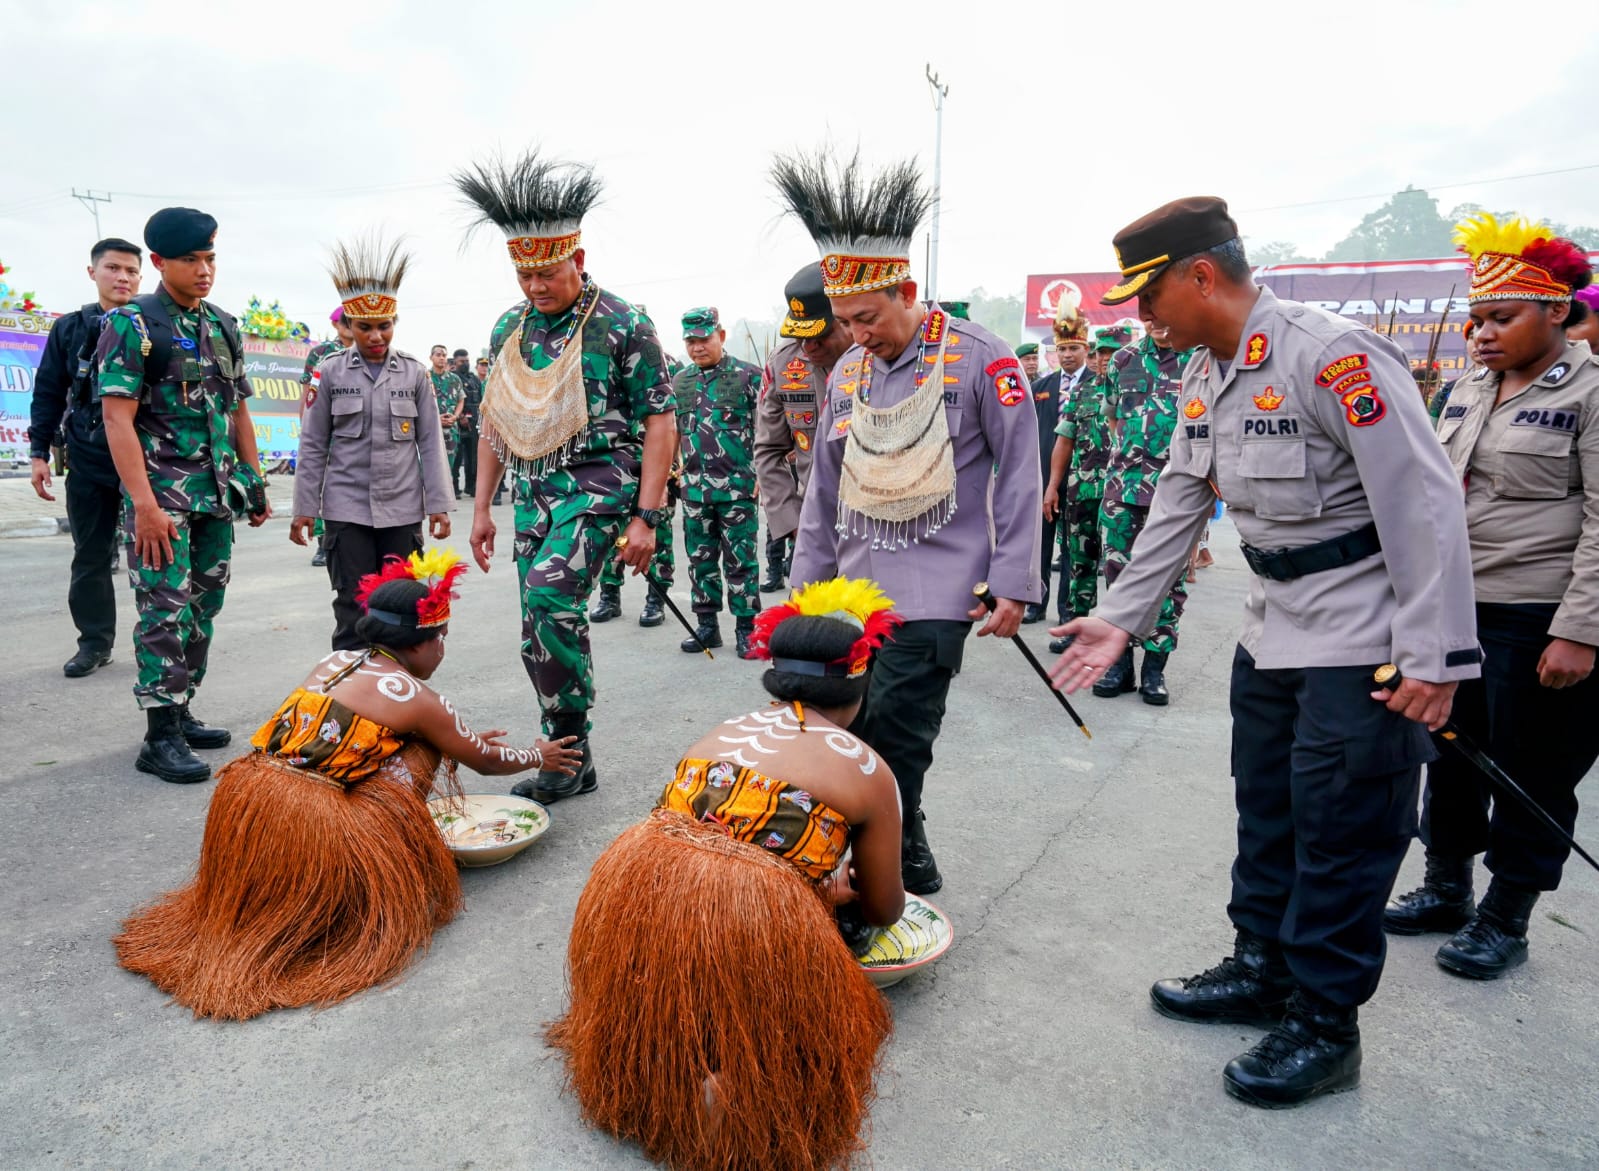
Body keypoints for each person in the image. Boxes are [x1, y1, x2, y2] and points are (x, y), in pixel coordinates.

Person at [1048, 196, 1481, 1108]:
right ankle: (1263, 970)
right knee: (1270, 811)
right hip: (1272, 624)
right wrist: (1120, 616)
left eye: (1147, 295)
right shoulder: (1204, 372)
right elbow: (1177, 495)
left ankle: (1326, 1024)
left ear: (1200, 274)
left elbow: (1423, 503)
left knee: (1343, 830)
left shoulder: (1331, 356)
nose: (1140, 316)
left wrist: (1436, 656)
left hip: (1362, 633)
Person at [113, 550, 581, 1020]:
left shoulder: (335, 659)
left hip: (246, 799)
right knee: (424, 749)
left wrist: (463, 740)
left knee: (415, 741)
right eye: (441, 637)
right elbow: (485, 761)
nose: (443, 648)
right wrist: (538, 755)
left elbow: (349, 734)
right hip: (310, 820)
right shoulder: (417, 697)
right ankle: (353, 880)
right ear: (422, 643)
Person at [546, 578, 904, 1171]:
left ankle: (647, 1052)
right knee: (797, 1017)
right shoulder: (869, 771)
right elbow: (883, 910)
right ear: (859, 685)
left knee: (699, 957)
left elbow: (730, 847)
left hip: (637, 889)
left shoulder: (719, 733)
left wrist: (814, 887)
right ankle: (730, 1091)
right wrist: (838, 895)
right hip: (744, 912)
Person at [774, 148, 1043, 894]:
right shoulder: (849, 374)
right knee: (843, 730)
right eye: (845, 322)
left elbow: (1019, 475)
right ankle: (902, 846)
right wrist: (803, 595)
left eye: (868, 317)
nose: (857, 334)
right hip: (851, 593)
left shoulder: (980, 359)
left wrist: (1014, 580)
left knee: (895, 731)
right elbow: (823, 491)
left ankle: (890, 863)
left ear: (907, 290)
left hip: (937, 589)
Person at [1384, 215, 1599, 980]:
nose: (1481, 334)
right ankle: (1446, 886)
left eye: (1500, 318)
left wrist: (1579, 629)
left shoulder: (1591, 392)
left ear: (1557, 311)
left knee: (1532, 769)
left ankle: (1506, 914)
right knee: (1446, 751)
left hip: (1538, 616)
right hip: (1455, 607)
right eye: (1475, 319)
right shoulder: (1465, 384)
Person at [457, 148, 676, 803]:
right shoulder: (510, 327)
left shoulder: (622, 322)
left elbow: (661, 422)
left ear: (577, 259)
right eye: (524, 276)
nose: (535, 288)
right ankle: (572, 754)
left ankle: (563, 759)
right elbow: (494, 422)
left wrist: (647, 516)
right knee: (534, 631)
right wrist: (481, 510)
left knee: (552, 600)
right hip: (533, 499)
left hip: (600, 492)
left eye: (547, 274)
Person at [96, 207, 273, 785]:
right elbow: (118, 421)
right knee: (163, 611)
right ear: (159, 263)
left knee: (203, 608)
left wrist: (254, 479)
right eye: (192, 260)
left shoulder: (222, 323)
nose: (204, 270)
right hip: (162, 502)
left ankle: (182, 706)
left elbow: (238, 407)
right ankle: (159, 734)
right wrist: (144, 506)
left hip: (216, 497)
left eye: (210, 258)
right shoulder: (133, 324)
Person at [290, 236, 453, 650]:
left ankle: (396, 695)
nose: (376, 335)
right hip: (346, 511)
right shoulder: (329, 373)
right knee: (351, 604)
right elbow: (312, 445)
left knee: (402, 605)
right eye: (365, 327)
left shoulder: (415, 374)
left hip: (401, 509)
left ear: (394, 322)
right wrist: (305, 509)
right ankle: (351, 694)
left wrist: (439, 504)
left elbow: (431, 443)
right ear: (349, 326)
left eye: (384, 326)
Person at [27, 237, 143, 678]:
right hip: (90, 456)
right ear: (92, 272)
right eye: (113, 268)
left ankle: (164, 648)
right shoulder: (71, 328)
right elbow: (49, 391)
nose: (122, 277)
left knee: (157, 558)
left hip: (147, 459)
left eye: (131, 270)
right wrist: (39, 453)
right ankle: (95, 642)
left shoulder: (153, 323)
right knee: (91, 555)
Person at [1095, 312, 1195, 704]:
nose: (1160, 322)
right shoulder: (1123, 359)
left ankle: (1155, 670)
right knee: (1117, 578)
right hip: (1123, 489)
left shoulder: (1197, 359)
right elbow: (1115, 418)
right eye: (1150, 315)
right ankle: (1119, 667)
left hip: (1175, 494)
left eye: (1165, 312)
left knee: (1169, 583)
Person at [673, 306, 764, 658]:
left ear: (721, 336)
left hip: (738, 488)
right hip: (694, 489)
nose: (697, 347)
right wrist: (672, 468)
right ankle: (707, 627)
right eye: (691, 341)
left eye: (704, 339)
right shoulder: (680, 381)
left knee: (741, 559)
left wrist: (761, 471)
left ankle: (746, 629)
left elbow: (771, 427)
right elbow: (670, 431)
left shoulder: (748, 377)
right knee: (700, 559)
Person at [755, 263, 846, 596]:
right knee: (810, 635)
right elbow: (767, 450)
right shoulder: (783, 364)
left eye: (819, 336)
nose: (808, 348)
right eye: (800, 336)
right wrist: (792, 522)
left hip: (876, 530)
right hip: (812, 529)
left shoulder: (877, 357)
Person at [1044, 322, 1125, 653]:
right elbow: (1064, 441)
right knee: (1079, 563)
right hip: (1083, 491)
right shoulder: (1083, 391)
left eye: (1112, 353)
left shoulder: (1139, 392)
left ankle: (1116, 633)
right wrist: (1053, 487)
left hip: (1124, 495)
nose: (1105, 359)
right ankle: (1075, 628)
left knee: (1120, 567)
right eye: (1101, 353)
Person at [298, 307, 354, 567]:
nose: (350, 327)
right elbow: (308, 393)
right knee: (322, 487)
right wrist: (306, 426)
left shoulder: (370, 351)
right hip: (326, 430)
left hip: (353, 433)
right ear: (336, 325)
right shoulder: (321, 353)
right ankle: (323, 545)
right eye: (345, 323)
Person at [427, 344, 467, 496]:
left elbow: (461, 400)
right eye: (438, 354)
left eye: (444, 355)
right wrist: (436, 418)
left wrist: (456, 416)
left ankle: (443, 495)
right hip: (431, 428)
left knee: (449, 464)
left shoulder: (454, 379)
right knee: (430, 464)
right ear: (431, 357)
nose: (442, 357)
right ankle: (429, 493)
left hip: (451, 429)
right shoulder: (425, 377)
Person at [450, 348, 481, 496]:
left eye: (467, 361)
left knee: (473, 457)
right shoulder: (452, 378)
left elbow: (480, 399)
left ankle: (471, 486)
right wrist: (461, 416)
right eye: (462, 361)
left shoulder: (473, 379)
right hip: (458, 423)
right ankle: (454, 488)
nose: (465, 364)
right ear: (455, 362)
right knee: (457, 457)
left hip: (474, 422)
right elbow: (453, 400)